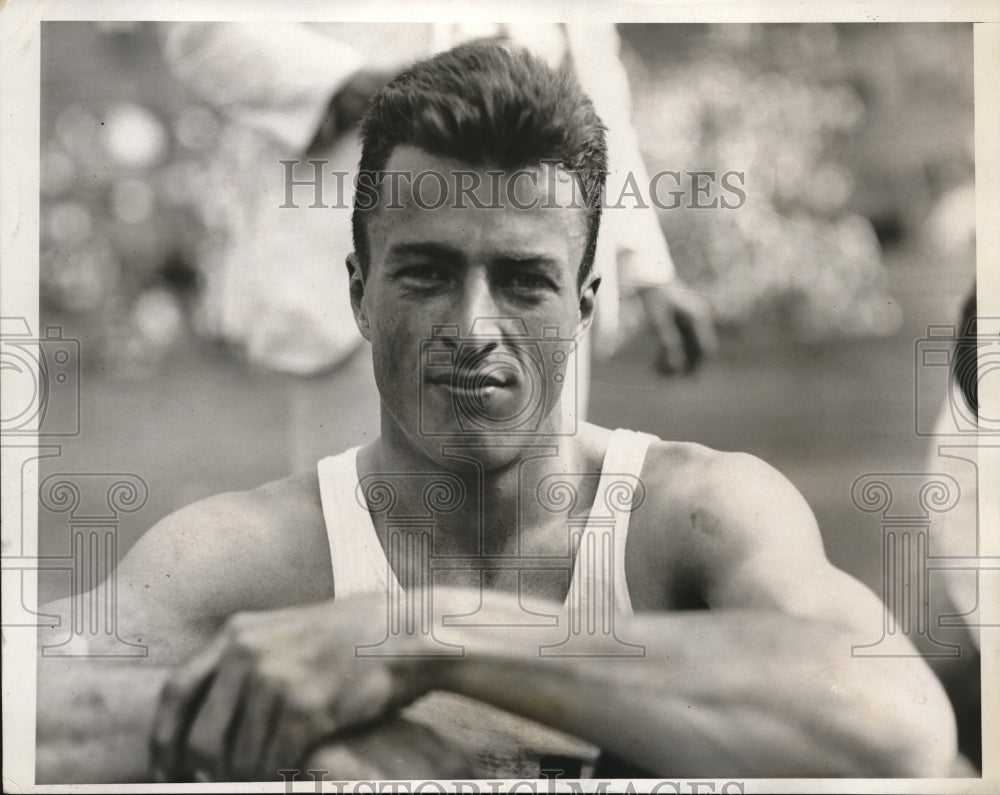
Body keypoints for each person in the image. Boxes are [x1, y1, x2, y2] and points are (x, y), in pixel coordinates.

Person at [37, 40, 956, 783]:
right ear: (360, 294)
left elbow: (901, 731)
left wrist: (417, 638)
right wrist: (272, 731)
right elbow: (34, 698)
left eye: (523, 281)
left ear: (586, 306)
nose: (472, 329)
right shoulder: (252, 558)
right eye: (427, 273)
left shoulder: (693, 518)